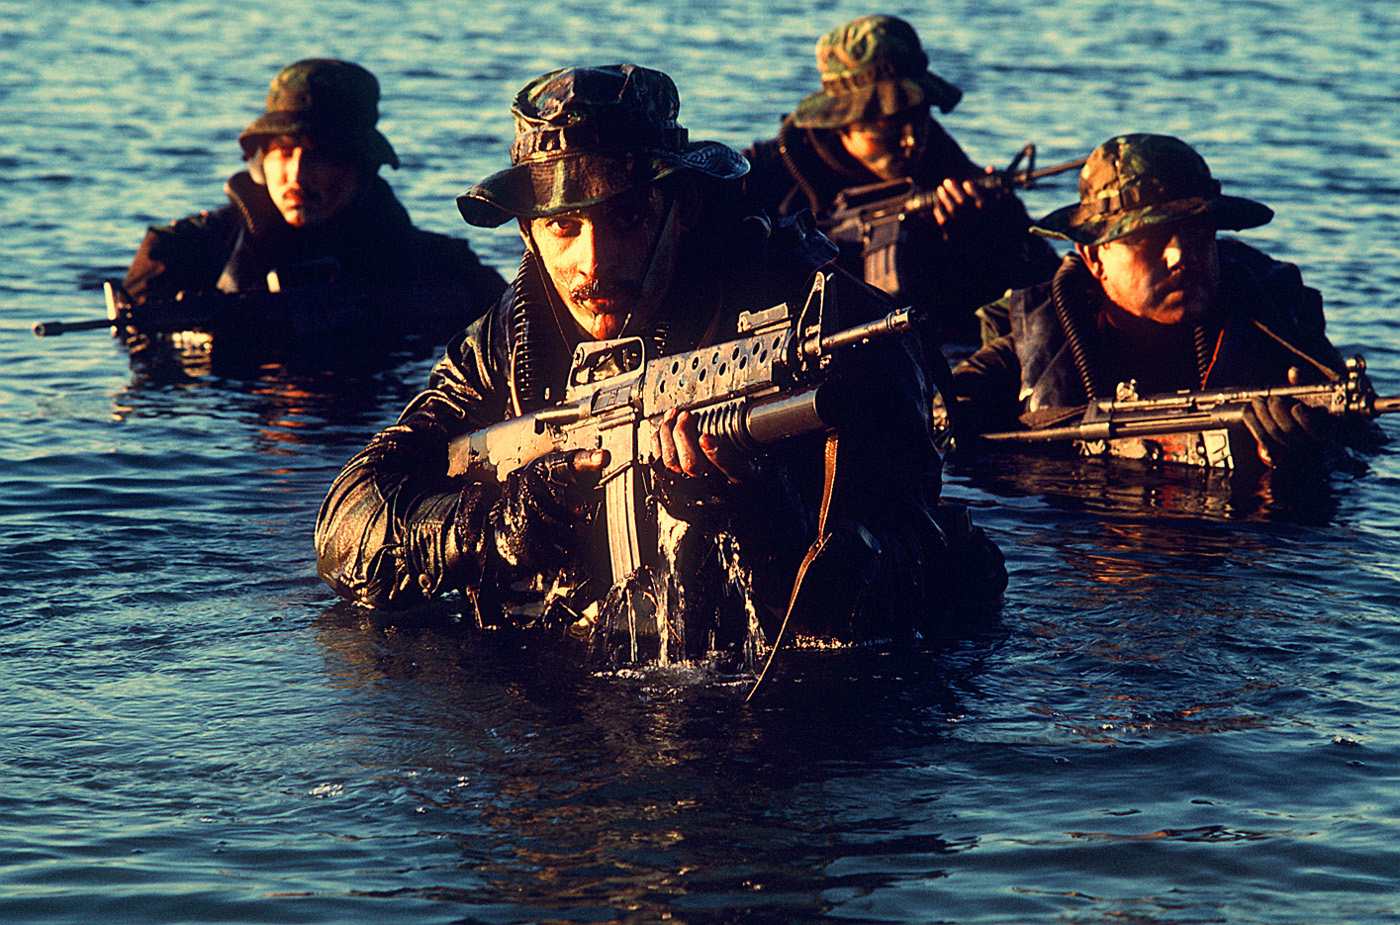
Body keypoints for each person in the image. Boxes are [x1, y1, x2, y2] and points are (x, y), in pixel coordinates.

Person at [314, 64, 1005, 666]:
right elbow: (345, 530)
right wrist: (494, 528)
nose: (595, 263)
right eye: (563, 227)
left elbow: (911, 575)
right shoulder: (504, 345)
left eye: (628, 219)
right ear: (527, 231)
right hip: (555, 701)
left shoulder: (831, 323)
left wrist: (761, 516)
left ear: (685, 207)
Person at [951, 133, 1375, 473]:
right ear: (1095, 257)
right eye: (1149, 239)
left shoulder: (1275, 319)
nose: (1181, 256)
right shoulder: (1042, 340)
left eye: (1197, 232)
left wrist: (1312, 455)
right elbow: (938, 423)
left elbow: (1366, 445)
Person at [121, 58, 506, 365]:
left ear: (362, 166)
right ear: (259, 162)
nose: (297, 176)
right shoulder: (187, 249)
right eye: (284, 153)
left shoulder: (439, 266)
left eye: (320, 155)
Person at [742, 14, 1058, 344]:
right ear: (841, 122)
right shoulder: (769, 176)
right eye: (888, 128)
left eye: (919, 118)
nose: (911, 141)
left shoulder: (949, 166)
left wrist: (981, 237)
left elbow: (1042, 282)